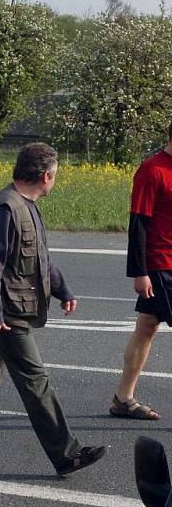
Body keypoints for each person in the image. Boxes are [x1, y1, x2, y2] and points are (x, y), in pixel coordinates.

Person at [0, 143, 107, 475]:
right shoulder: (5, 208)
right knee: (35, 380)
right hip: (5, 313)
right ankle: (67, 454)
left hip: (8, 308)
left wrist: (62, 289)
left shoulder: (25, 205)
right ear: (46, 176)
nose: (55, 181)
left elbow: (39, 257)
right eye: (55, 176)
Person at [109, 121, 172, 420]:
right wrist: (140, 271)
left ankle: (123, 398)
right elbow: (138, 223)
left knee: (147, 326)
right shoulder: (152, 169)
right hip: (161, 264)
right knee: (147, 328)